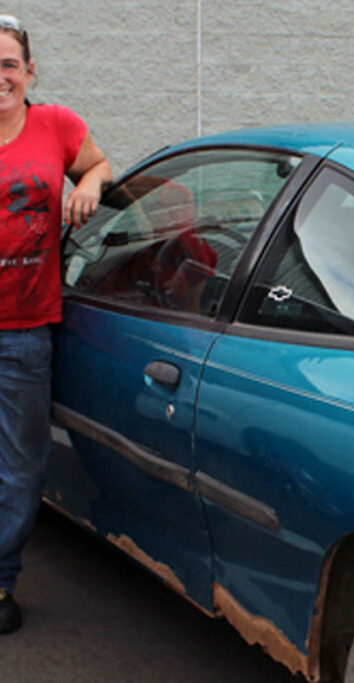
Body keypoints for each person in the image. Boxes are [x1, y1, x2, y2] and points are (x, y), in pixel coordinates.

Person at [0, 14, 112, 633]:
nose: (0, 76)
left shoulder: (56, 125)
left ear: (28, 70)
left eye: (9, 64)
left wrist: (88, 185)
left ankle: (0, 581)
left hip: (23, 330)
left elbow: (99, 164)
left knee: (21, 466)